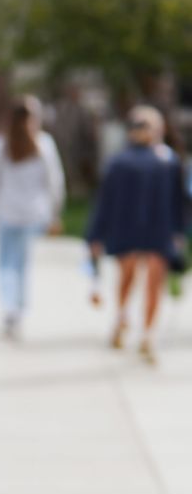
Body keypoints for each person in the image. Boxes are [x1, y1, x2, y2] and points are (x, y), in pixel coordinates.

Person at [86, 105, 187, 366]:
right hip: (141, 228)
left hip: (149, 228)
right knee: (136, 278)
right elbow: (106, 201)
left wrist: (178, 232)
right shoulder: (128, 162)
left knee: (146, 280)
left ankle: (144, 331)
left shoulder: (165, 161)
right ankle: (130, 323)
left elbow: (178, 202)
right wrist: (95, 235)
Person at [0, 94, 66, 339]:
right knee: (22, 263)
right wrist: (55, 212)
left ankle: (10, 309)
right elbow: (55, 182)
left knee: (5, 265)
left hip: (7, 212)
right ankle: (19, 309)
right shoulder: (44, 144)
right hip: (34, 213)